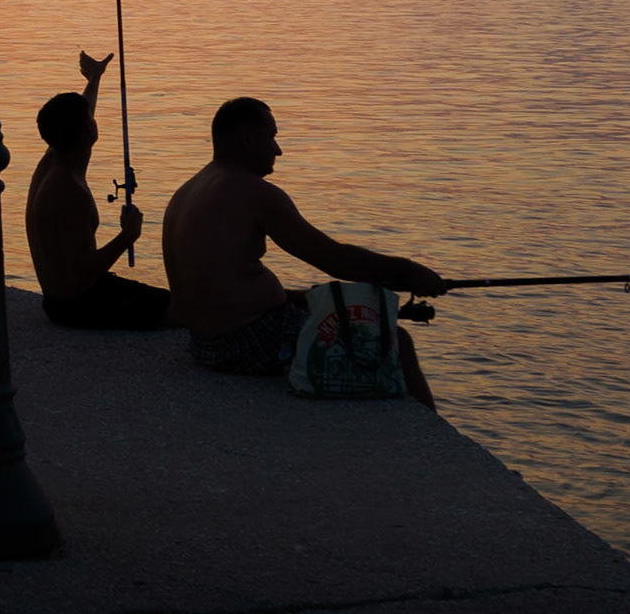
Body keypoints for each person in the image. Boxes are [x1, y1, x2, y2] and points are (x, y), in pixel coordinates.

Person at [161, 97, 448, 407]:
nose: (278, 150)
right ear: (247, 140)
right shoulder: (255, 192)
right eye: (271, 137)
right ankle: (435, 437)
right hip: (246, 344)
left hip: (203, 343)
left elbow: (221, 284)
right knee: (396, 341)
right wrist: (408, 271)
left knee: (323, 300)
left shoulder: (188, 190)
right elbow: (335, 259)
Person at [25, 50, 172, 330]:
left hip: (66, 296)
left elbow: (83, 111)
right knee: (183, 310)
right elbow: (79, 272)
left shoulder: (55, 157)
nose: (94, 118)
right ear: (88, 131)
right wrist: (127, 236)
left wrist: (95, 77)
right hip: (77, 304)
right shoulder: (69, 191)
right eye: (90, 119)